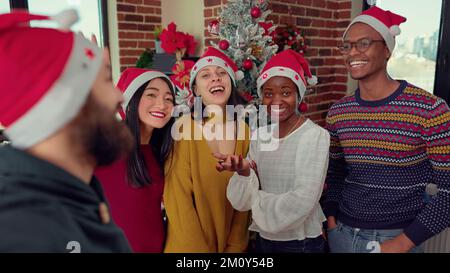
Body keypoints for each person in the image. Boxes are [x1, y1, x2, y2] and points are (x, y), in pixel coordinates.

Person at [0, 10, 134, 252]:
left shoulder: (72, 190)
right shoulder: (23, 234)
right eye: (106, 80)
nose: (120, 96)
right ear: (67, 104)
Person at [324, 6, 450, 253]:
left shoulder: (431, 110)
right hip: (342, 234)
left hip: (398, 239)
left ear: (387, 50)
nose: (352, 53)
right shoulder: (338, 112)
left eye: (363, 43)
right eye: (346, 46)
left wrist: (402, 243)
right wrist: (331, 218)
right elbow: (336, 173)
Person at [215, 49, 330, 253]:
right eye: (268, 94)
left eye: (286, 92)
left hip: (300, 242)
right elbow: (241, 202)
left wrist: (257, 199)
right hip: (264, 240)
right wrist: (243, 171)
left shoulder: (314, 136)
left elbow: (302, 199)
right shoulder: (260, 135)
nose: (276, 101)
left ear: (299, 95)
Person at [163, 47, 250, 253]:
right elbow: (178, 200)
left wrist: (235, 248)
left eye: (221, 73)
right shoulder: (184, 128)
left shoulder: (244, 131)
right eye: (206, 75)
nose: (216, 79)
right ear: (195, 89)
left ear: (231, 82)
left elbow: (245, 198)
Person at [95, 68, 176, 252]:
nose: (162, 104)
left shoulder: (160, 151)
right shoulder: (106, 148)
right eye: (151, 95)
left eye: (168, 98)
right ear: (131, 100)